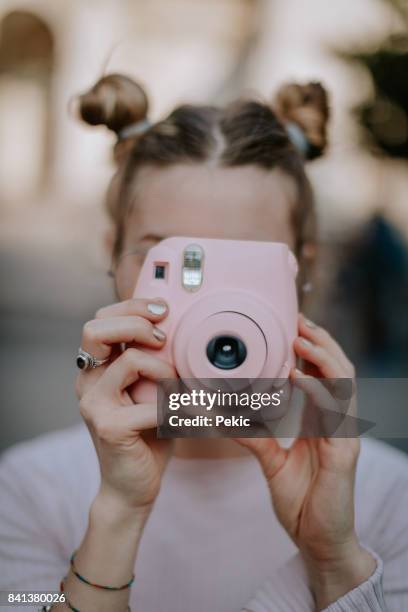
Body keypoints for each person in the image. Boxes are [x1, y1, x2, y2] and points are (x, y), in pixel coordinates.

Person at [0, 74, 407, 612]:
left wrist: (334, 562)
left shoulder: (387, 496)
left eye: (244, 265)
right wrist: (117, 516)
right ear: (111, 254)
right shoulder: (29, 489)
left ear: (303, 269)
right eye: (174, 262)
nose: (213, 311)